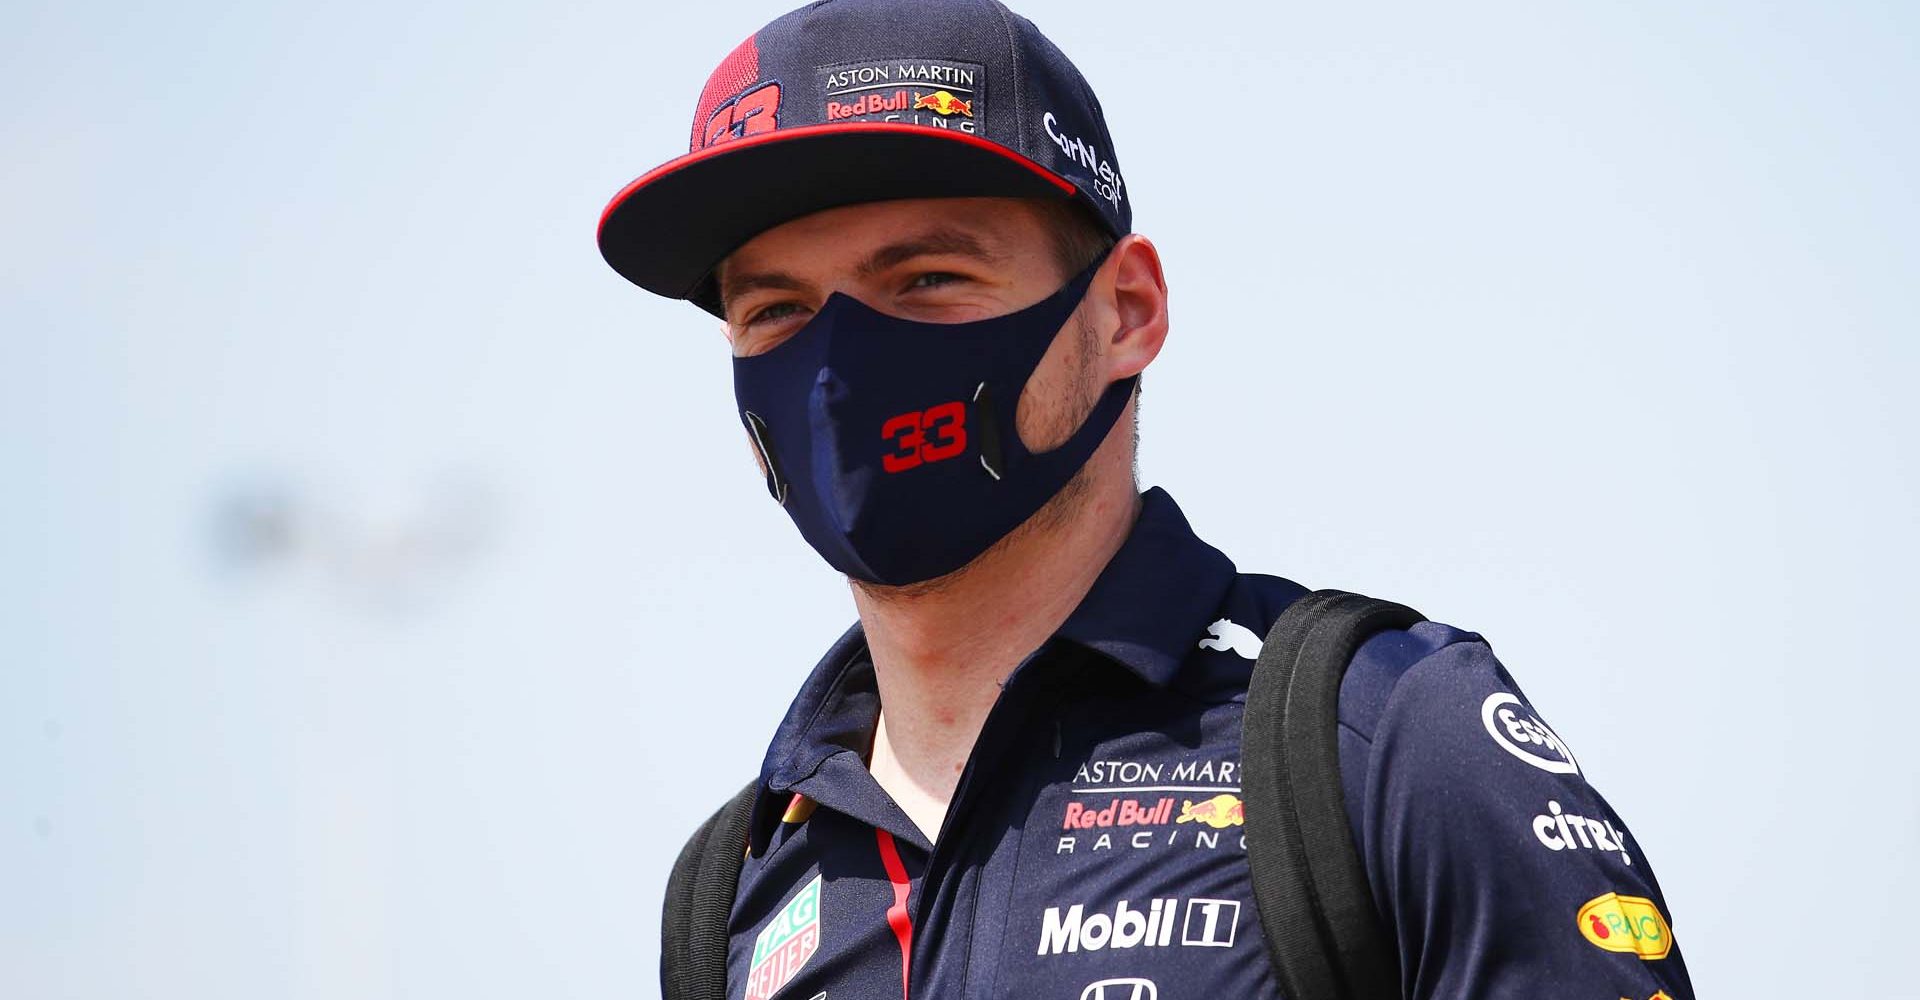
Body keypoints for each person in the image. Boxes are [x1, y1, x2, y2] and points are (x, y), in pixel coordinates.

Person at [596, 1, 1695, 997]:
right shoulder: (736, 886)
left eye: (926, 278)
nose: (836, 368)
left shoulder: (1384, 741)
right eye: (777, 312)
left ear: (1126, 310)